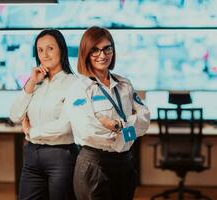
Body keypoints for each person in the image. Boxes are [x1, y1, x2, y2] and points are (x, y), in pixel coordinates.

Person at [63, 26, 150, 200]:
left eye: (107, 48)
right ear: (85, 52)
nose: (102, 55)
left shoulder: (124, 84)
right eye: (95, 50)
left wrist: (118, 126)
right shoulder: (80, 89)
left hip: (125, 163)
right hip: (95, 163)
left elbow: (144, 120)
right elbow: (89, 131)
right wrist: (128, 130)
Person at [9, 29, 77, 200]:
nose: (44, 55)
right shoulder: (36, 83)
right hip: (32, 155)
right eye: (40, 50)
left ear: (61, 49)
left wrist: (31, 131)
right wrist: (31, 82)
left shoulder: (74, 84)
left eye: (50, 48)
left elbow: (65, 125)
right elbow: (15, 115)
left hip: (60, 157)